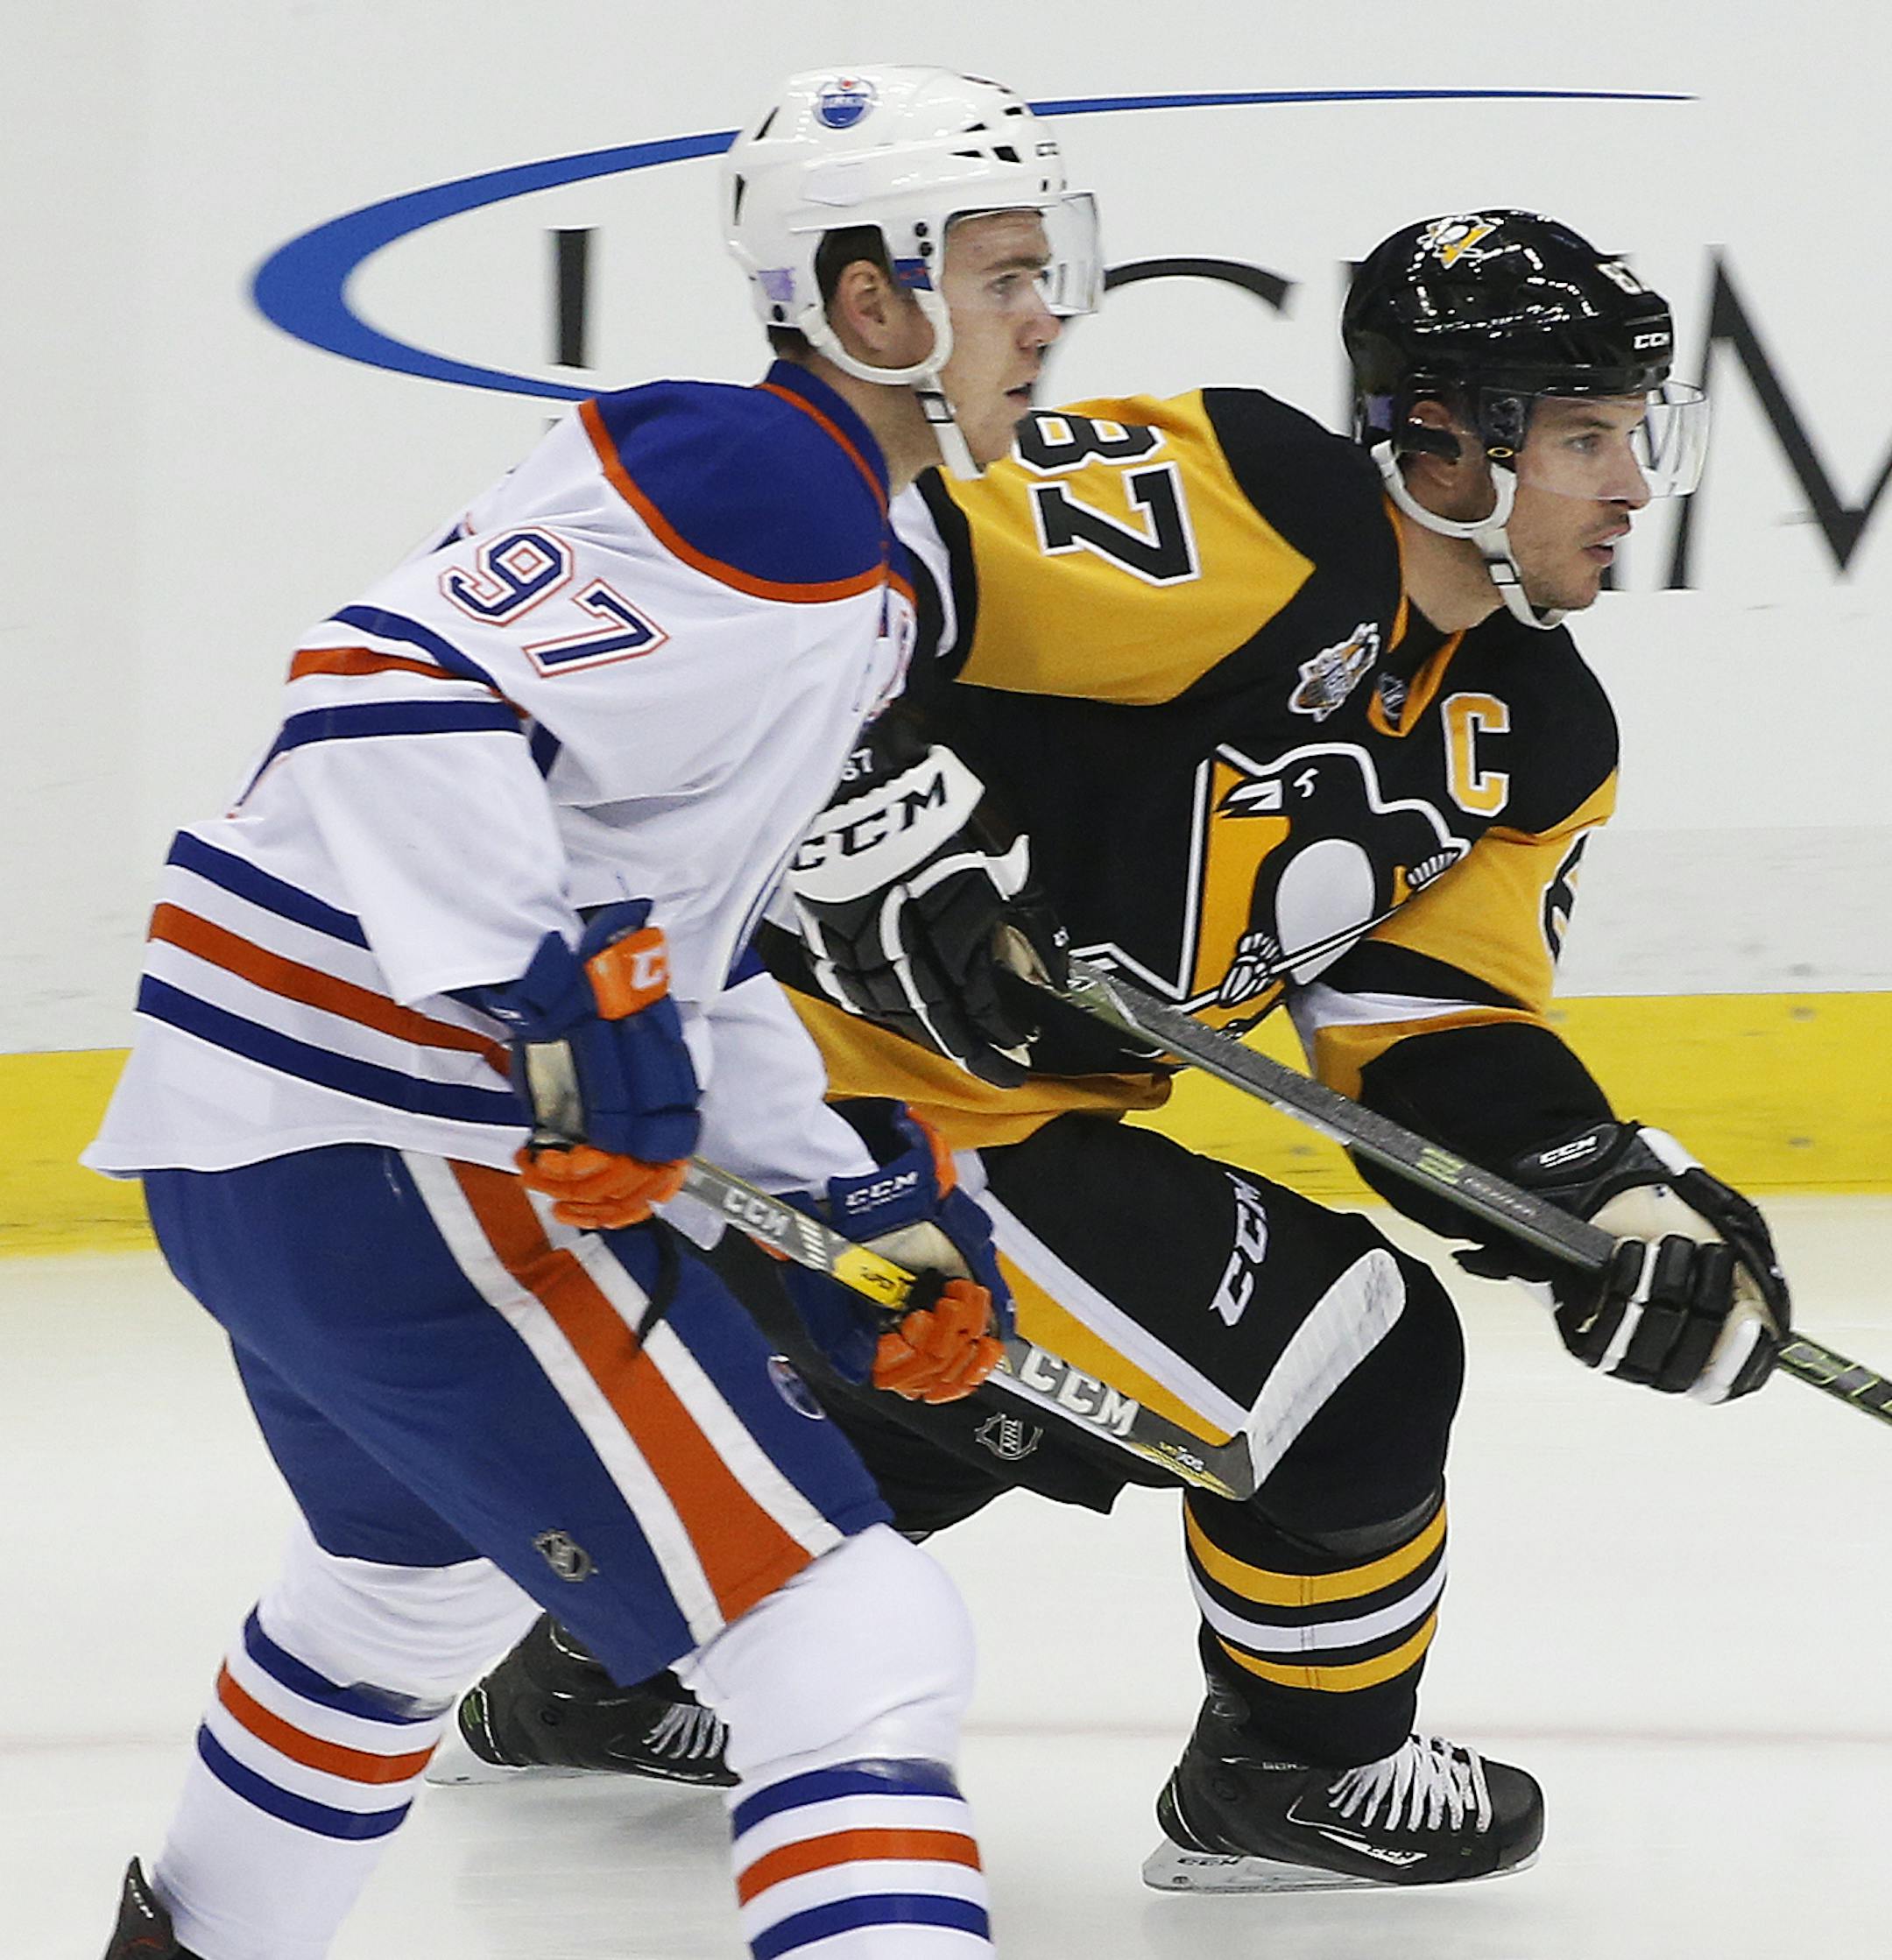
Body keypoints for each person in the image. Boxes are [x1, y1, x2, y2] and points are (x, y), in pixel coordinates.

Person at [446, 211, 1793, 1896]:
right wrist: (874, 804)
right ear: (1439, 436)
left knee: (976, 1405)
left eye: (1633, 432)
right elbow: (851, 566)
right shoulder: (1258, 507)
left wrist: (1614, 1202)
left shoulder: (1535, 727)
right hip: (788, 1090)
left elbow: (1425, 1032)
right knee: (1355, 1361)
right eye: (1586, 435)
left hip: (961, 1135)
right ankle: (1304, 1770)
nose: (1631, 485)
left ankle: (614, 1671)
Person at [85, 65, 1103, 1960]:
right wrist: (537, 1007)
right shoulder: (773, 487)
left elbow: (677, 948)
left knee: (401, 1605)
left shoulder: (849, 564)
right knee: (846, 1634)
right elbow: (378, 689)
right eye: (1006, 270)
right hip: (402, 1147)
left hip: (256, 1152)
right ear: (871, 300)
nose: (1048, 317)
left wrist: (852, 1199)